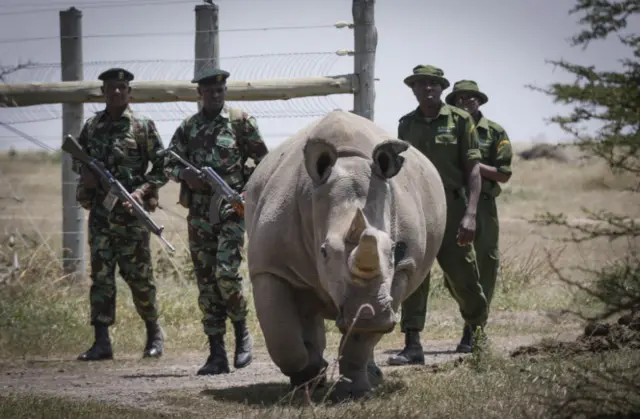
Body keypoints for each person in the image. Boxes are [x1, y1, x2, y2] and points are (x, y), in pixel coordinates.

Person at [163, 67, 269, 375]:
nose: (215, 94)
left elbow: (263, 161)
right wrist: (185, 175)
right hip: (199, 215)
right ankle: (216, 353)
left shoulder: (240, 123)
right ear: (200, 94)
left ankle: (241, 333)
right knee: (207, 282)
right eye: (209, 90)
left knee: (226, 273)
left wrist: (247, 192)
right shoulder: (188, 127)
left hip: (231, 211)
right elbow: (167, 160)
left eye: (220, 90)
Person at [388, 65, 488, 366]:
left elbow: (473, 169)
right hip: (418, 209)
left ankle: (475, 333)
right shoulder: (406, 124)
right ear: (413, 90)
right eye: (421, 84)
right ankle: (412, 343)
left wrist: (470, 214)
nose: (428, 89)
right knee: (413, 274)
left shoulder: (460, 120)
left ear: (442, 89)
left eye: (433, 84)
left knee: (463, 274)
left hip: (453, 205)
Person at [72, 67, 169, 361]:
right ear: (103, 92)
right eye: (111, 87)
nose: (116, 92)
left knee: (140, 278)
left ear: (130, 92)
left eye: (122, 88)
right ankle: (102, 342)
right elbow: (77, 160)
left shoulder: (143, 126)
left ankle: (154, 335)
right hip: (101, 216)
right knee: (101, 278)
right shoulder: (92, 127)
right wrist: (85, 173)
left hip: (131, 217)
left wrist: (140, 192)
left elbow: (163, 168)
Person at [445, 79, 513, 319]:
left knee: (486, 260)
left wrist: (472, 164)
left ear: (480, 101)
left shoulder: (494, 132)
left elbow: (503, 174)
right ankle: (468, 308)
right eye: (460, 98)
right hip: (452, 201)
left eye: (471, 97)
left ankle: (475, 324)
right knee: (452, 265)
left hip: (483, 205)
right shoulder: (446, 130)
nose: (466, 101)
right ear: (453, 102)